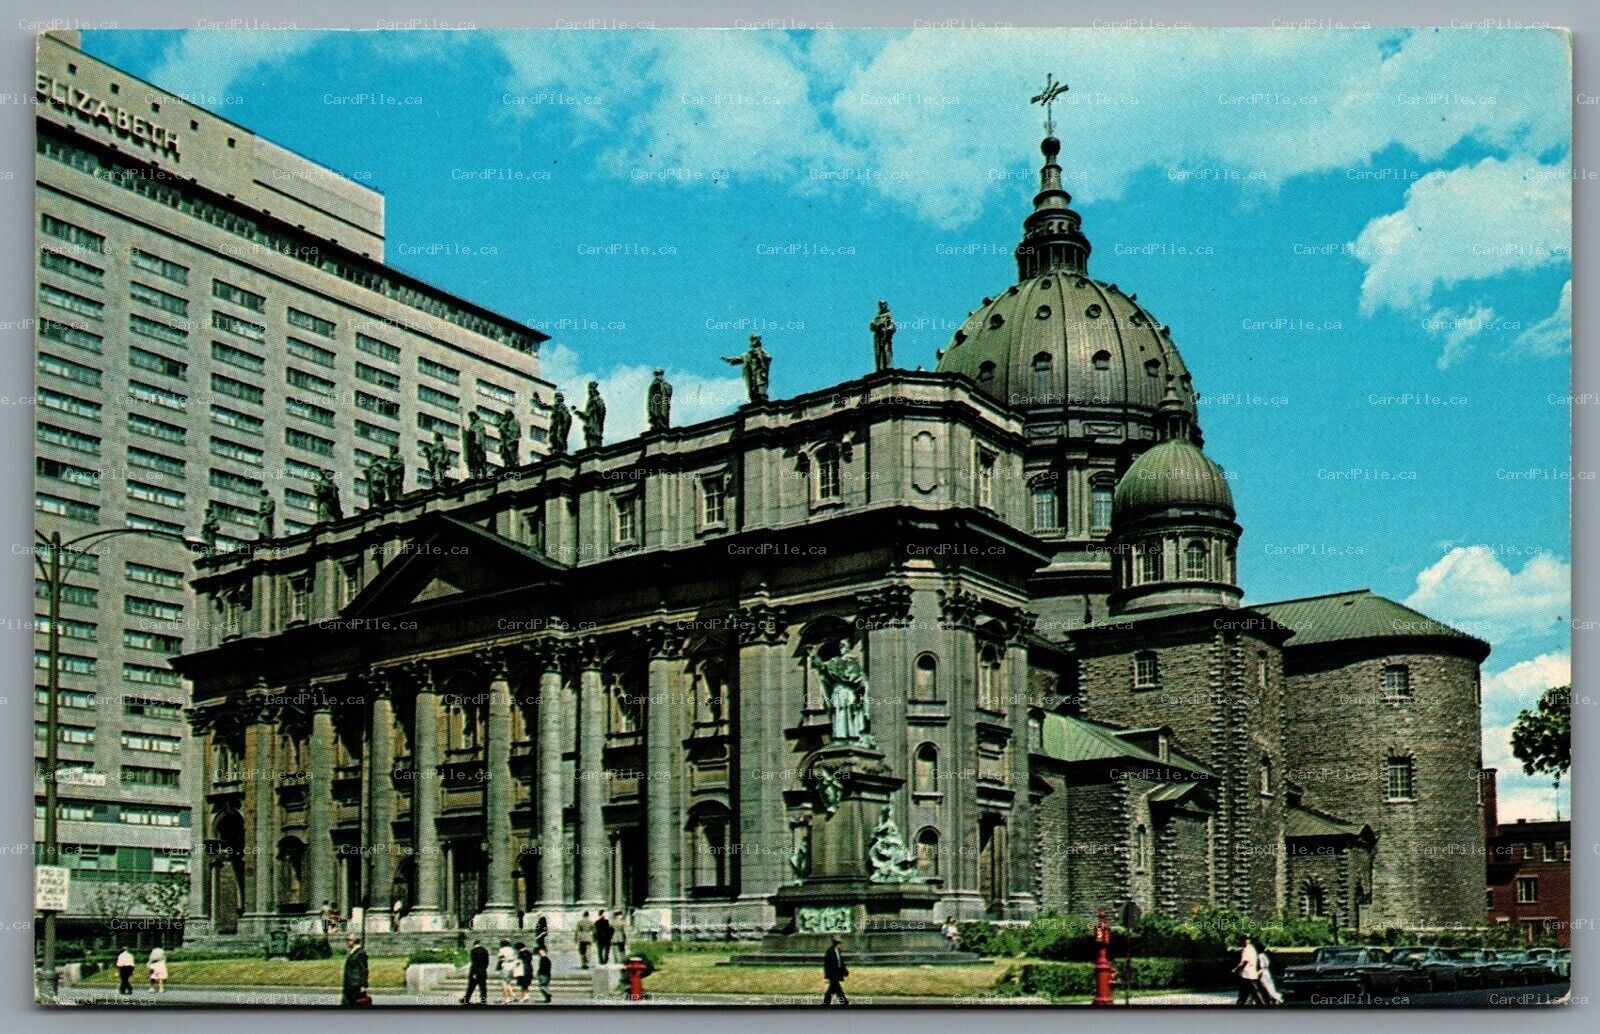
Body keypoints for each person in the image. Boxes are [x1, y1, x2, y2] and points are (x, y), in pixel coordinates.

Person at [1233, 933, 1263, 1005]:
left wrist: (1235, 969)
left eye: (1244, 940)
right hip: (1250, 976)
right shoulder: (1252, 949)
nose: (1243, 941)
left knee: (1251, 995)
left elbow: (1244, 962)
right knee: (1250, 995)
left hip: (1248, 977)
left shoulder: (1247, 949)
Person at [341, 935, 368, 1006]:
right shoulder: (352, 952)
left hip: (356, 985)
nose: (346, 942)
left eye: (348, 940)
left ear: (353, 941)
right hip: (349, 985)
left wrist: (363, 986)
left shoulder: (360, 952)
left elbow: (364, 969)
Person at [462, 938, 490, 1005]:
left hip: (474, 972)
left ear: (474, 944)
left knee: (470, 987)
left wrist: (475, 973)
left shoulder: (473, 951)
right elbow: (487, 962)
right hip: (482, 971)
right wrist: (483, 969)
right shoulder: (485, 950)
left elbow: (474, 962)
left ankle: (466, 1000)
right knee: (483, 987)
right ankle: (484, 1001)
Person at [1254, 938, 1282, 1005]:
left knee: (1269, 988)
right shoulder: (1264, 955)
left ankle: (1279, 999)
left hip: (1264, 975)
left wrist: (1255, 975)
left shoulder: (1260, 956)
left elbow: (1262, 968)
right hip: (1266, 973)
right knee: (1268, 988)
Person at [822, 937, 849, 1005]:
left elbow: (840, 963)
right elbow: (827, 965)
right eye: (840, 943)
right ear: (837, 944)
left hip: (837, 974)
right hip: (832, 974)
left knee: (833, 989)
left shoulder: (838, 951)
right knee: (837, 989)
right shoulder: (830, 952)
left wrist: (845, 972)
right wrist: (827, 976)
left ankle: (827, 1002)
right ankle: (844, 1002)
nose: (841, 945)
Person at [497, 938, 518, 1003]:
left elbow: (500, 957)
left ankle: (507, 998)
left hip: (505, 965)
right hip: (512, 966)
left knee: (504, 983)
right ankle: (513, 995)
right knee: (508, 982)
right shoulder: (512, 950)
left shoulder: (502, 949)